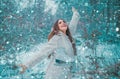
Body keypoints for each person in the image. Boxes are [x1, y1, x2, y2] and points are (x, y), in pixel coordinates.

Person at [19, 7, 80, 79]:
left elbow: (73, 25)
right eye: (60, 23)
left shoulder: (68, 35)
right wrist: (26, 65)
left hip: (66, 71)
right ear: (57, 28)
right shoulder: (57, 38)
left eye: (64, 22)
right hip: (56, 73)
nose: (63, 23)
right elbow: (42, 53)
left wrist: (75, 13)